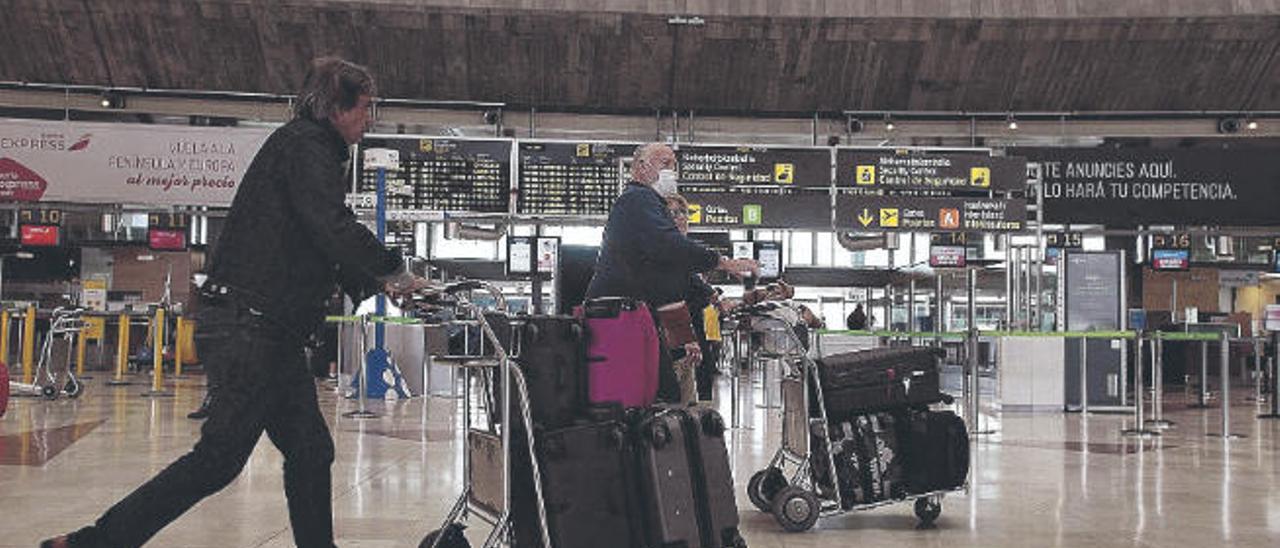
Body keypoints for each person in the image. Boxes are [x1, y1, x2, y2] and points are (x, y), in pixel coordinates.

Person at [43, 57, 430, 548]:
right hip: (251, 329)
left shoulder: (311, 149)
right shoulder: (306, 146)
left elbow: (315, 243)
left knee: (311, 450)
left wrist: (384, 286)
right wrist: (392, 267)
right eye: (364, 107)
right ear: (336, 107)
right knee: (219, 460)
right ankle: (89, 544)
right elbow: (330, 227)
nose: (368, 119)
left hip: (270, 331)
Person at [585, 143, 758, 402]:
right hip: (622, 320)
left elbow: (665, 287)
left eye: (674, 165)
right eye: (664, 163)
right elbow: (668, 247)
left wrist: (682, 339)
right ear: (640, 168)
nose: (671, 171)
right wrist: (722, 262)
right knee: (658, 399)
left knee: (660, 397)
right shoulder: (637, 199)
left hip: (629, 319)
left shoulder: (649, 205)